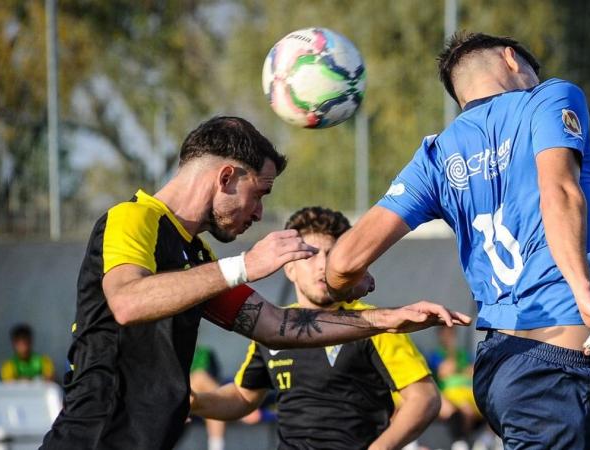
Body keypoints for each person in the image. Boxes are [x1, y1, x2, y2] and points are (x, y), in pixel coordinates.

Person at [40, 116, 470, 450]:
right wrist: (244, 265)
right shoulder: (133, 217)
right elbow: (128, 301)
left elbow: (276, 325)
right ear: (226, 177)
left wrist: (386, 319)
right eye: (259, 192)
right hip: (97, 434)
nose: (260, 212)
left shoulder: (197, 256)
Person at [326, 33, 590, 449]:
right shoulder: (549, 98)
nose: (536, 80)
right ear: (510, 59)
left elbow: (343, 261)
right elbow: (558, 190)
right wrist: (583, 291)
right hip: (553, 372)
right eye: (532, 72)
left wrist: (350, 285)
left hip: (502, 363)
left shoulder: (436, 155)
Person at [191, 206, 441, 450]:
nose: (322, 265)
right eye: (310, 254)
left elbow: (424, 399)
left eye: (332, 255)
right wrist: (193, 402)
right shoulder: (274, 327)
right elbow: (243, 397)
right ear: (289, 268)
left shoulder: (375, 322)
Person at [426, 327, 480, 448]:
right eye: (446, 334)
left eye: (451, 334)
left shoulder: (463, 354)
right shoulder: (435, 355)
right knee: (466, 410)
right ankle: (461, 441)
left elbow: (474, 371)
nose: (449, 337)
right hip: (450, 393)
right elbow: (444, 371)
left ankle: (468, 441)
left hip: (467, 391)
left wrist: (460, 368)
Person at [189, 345, 226, 450]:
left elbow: (215, 380)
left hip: (200, 400)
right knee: (200, 377)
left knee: (213, 401)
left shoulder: (206, 354)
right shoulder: (166, 352)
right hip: (174, 396)